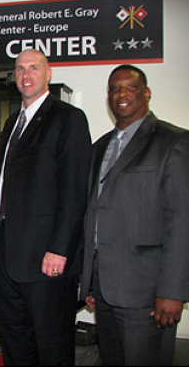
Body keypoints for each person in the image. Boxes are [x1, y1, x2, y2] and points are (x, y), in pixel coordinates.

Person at [79, 64, 189, 366]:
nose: (121, 94)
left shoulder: (173, 142)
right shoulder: (99, 147)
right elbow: (93, 214)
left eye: (130, 87)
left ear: (147, 93)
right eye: (114, 89)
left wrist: (173, 292)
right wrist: (90, 282)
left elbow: (181, 222)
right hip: (104, 291)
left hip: (148, 293)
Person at [0, 49, 92, 365]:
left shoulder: (67, 118)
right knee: (15, 342)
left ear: (48, 73)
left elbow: (75, 191)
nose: (25, 74)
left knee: (52, 346)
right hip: (8, 254)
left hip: (47, 258)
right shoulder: (11, 123)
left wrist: (60, 249)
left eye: (33, 67)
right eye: (20, 69)